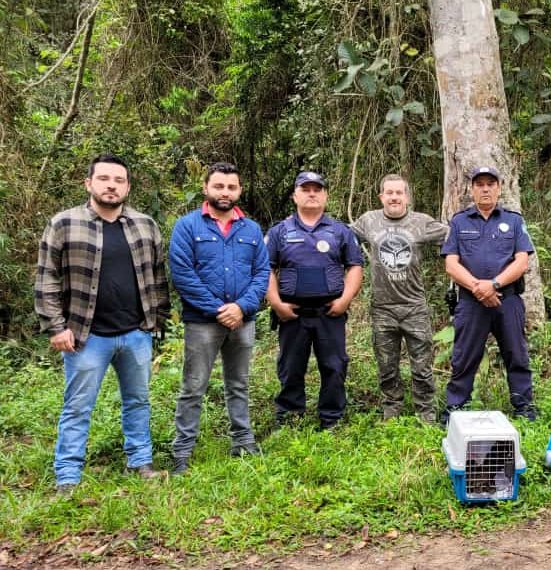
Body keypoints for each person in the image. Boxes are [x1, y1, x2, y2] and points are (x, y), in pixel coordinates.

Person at [35, 154, 170, 492]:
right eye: (105, 179)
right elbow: (47, 278)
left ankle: (140, 463)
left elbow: (157, 276)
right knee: (78, 407)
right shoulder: (64, 223)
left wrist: (156, 322)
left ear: (127, 186)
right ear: (89, 183)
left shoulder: (144, 224)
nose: (111, 185)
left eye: (119, 180)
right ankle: (67, 477)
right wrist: (55, 326)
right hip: (85, 336)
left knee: (137, 401)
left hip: (135, 333)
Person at [168, 162, 270, 474]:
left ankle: (243, 442)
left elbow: (262, 272)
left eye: (231, 187)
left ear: (239, 190)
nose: (225, 193)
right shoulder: (188, 227)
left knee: (238, 383)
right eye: (219, 186)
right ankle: (182, 452)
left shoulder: (251, 230)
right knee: (194, 386)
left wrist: (241, 307)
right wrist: (218, 309)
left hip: (243, 320)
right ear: (206, 188)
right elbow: (182, 273)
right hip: (202, 322)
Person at [265, 171, 364, 430]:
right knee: (290, 367)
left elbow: (354, 266)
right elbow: (266, 269)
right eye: (305, 189)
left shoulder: (340, 231)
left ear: (325, 196)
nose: (311, 193)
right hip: (292, 314)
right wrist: (276, 303)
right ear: (294, 196)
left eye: (317, 189)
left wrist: (345, 300)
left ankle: (331, 418)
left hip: (329, 312)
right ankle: (289, 417)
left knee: (334, 366)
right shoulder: (279, 232)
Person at [441, 166, 536, 422]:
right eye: (479, 184)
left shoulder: (514, 221)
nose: (485, 189)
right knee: (464, 357)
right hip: (471, 303)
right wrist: (478, 288)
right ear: (472, 189)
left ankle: (523, 407)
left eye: (490, 184)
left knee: (516, 354)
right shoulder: (459, 221)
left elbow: (521, 262)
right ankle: (456, 408)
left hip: (508, 301)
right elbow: (451, 264)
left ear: (499, 188)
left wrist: (492, 285)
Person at [351, 174, 448, 423]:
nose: (394, 197)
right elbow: (340, 239)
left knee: (422, 366)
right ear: (381, 196)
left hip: (414, 306)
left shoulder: (421, 223)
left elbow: (454, 237)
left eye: (399, 192)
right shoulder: (368, 221)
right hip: (382, 307)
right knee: (386, 365)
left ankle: (425, 411)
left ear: (406, 196)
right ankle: (391, 410)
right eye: (389, 192)